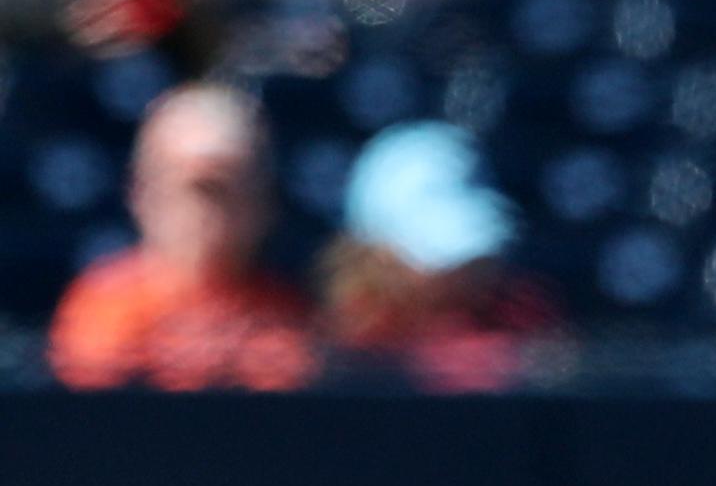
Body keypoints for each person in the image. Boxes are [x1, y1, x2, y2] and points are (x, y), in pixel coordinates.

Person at [46, 81, 316, 390]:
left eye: (234, 188)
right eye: (196, 189)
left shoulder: (287, 311)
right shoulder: (105, 306)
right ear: (142, 193)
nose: (211, 212)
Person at [316, 121, 567, 392]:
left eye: (474, 252)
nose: (463, 270)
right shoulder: (342, 348)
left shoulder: (525, 317)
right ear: (378, 252)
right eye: (435, 249)